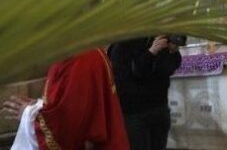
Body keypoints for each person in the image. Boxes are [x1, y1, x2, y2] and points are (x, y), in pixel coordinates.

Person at [1, 48, 130, 149]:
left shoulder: (80, 59)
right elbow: (73, 104)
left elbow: (68, 132)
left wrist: (29, 115)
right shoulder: (74, 54)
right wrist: (40, 106)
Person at [108, 35, 183, 150]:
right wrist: (151, 52)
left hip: (159, 108)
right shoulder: (121, 46)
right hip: (135, 114)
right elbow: (133, 75)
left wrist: (173, 51)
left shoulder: (158, 39)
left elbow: (168, 69)